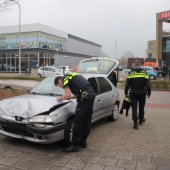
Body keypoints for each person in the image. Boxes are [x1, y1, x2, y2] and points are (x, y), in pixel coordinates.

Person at [54, 72, 95, 152]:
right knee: (87, 119)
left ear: (59, 81)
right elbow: (77, 93)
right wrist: (70, 97)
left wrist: (60, 98)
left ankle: (74, 145)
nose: (61, 87)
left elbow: (67, 95)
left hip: (84, 97)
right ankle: (83, 142)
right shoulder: (73, 76)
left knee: (77, 121)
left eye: (59, 86)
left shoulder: (65, 78)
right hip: (90, 94)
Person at [125, 60, 151, 130]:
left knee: (134, 107)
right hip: (142, 93)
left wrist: (125, 93)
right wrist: (149, 93)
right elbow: (148, 84)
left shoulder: (130, 73)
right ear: (140, 65)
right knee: (141, 107)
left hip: (133, 93)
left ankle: (135, 122)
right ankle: (141, 120)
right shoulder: (144, 73)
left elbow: (127, 84)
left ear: (134, 65)